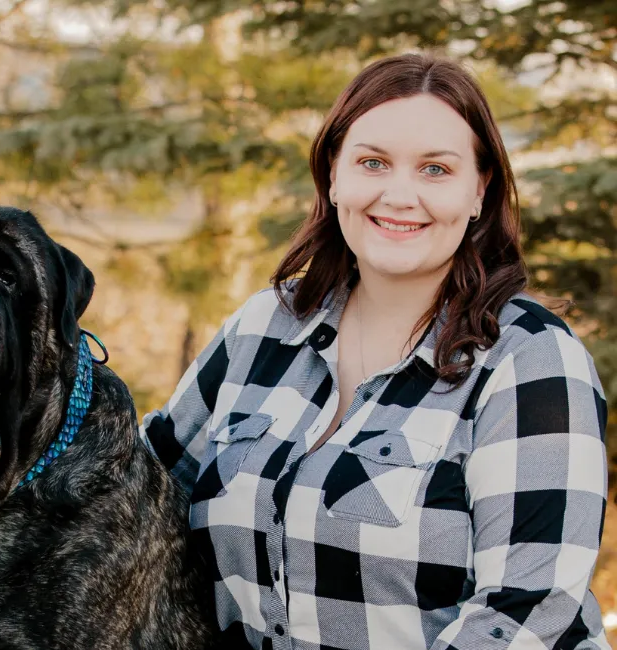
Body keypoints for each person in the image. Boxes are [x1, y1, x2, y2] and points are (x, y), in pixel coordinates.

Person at [139, 52, 610, 650]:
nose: (399, 194)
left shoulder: (531, 359)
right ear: (334, 176)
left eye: (435, 169)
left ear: (479, 190)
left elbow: (525, 614)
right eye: (373, 163)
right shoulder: (263, 327)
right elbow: (138, 490)